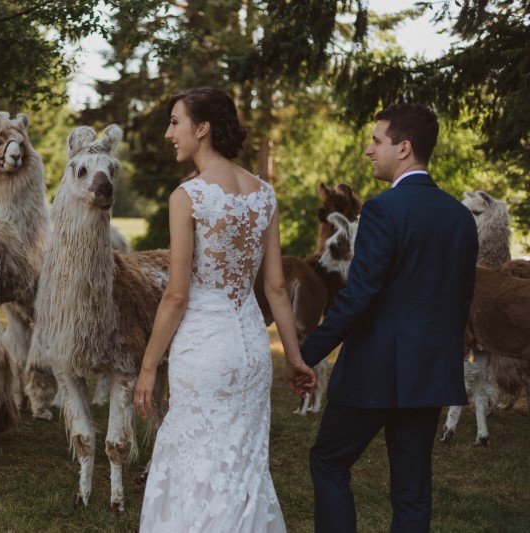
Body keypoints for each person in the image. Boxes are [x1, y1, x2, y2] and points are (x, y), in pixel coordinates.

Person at [133, 87, 316, 532]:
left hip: (204, 351)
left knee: (195, 465)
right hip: (252, 348)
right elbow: (274, 288)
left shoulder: (189, 196)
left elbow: (177, 295)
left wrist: (148, 367)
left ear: (203, 129)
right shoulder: (264, 195)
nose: (168, 134)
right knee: (243, 468)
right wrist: (294, 358)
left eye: (175, 122)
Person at [296, 103, 479, 532]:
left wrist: (306, 354)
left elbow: (359, 296)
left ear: (404, 148)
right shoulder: (459, 217)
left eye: (377, 141)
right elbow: (460, 300)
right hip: (429, 372)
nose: (368, 150)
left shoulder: (382, 210)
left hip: (373, 372)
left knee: (328, 460)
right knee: (412, 490)